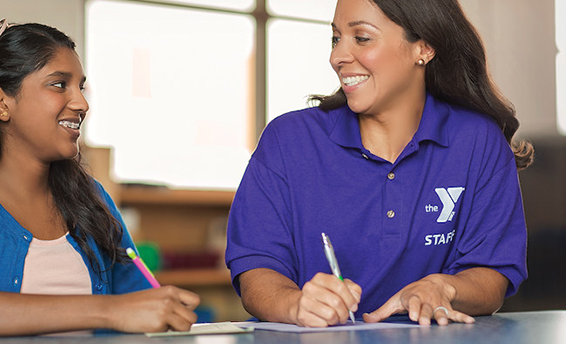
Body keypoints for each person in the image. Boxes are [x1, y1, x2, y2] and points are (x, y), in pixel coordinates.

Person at [225, 0, 533, 328]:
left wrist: (443, 287)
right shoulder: (287, 140)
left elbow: (493, 276)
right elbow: (255, 269)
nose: (337, 56)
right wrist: (293, 304)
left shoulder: (478, 141)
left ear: (424, 48)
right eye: (335, 38)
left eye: (362, 38)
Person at [0, 19, 199, 337]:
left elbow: (141, 303)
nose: (82, 104)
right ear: (0, 102)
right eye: (59, 84)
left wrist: (166, 310)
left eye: (80, 87)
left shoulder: (91, 197)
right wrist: (108, 311)